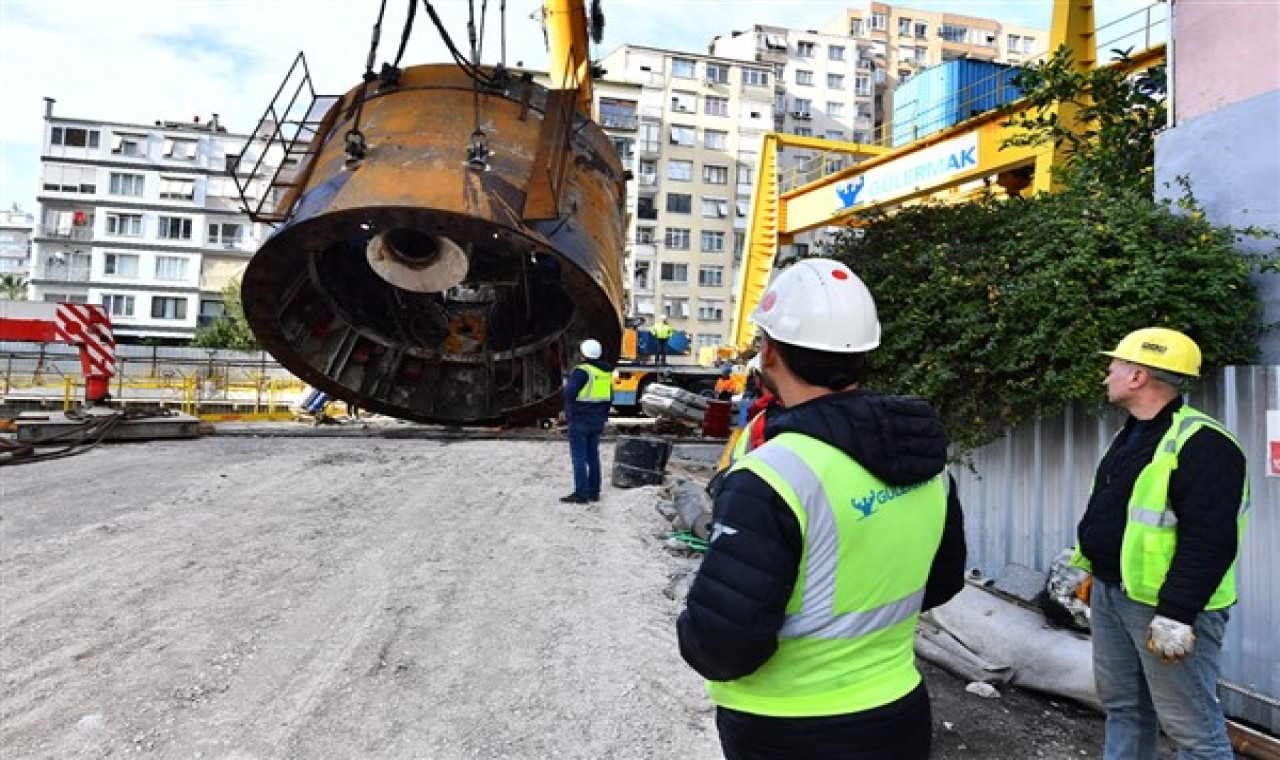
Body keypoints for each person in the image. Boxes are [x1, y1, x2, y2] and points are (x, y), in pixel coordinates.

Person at [676, 259, 967, 760]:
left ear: (768, 351)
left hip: (789, 727)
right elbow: (940, 582)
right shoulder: (926, 461)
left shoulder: (773, 475)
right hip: (897, 711)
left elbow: (721, 645)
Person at [1072, 327, 1248, 760]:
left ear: (1138, 377)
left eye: (1114, 365)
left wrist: (1175, 615)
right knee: (1125, 709)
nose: (1106, 375)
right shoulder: (1132, 433)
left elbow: (1210, 539)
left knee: (1194, 732)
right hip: (1116, 595)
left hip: (1168, 610)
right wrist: (1092, 569)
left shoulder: (1204, 444)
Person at [561, 338, 613, 504]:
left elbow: (569, 393)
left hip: (580, 419)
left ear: (583, 354)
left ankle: (581, 494)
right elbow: (610, 397)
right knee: (593, 457)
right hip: (597, 420)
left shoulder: (582, 371)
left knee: (579, 458)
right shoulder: (605, 372)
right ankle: (594, 492)